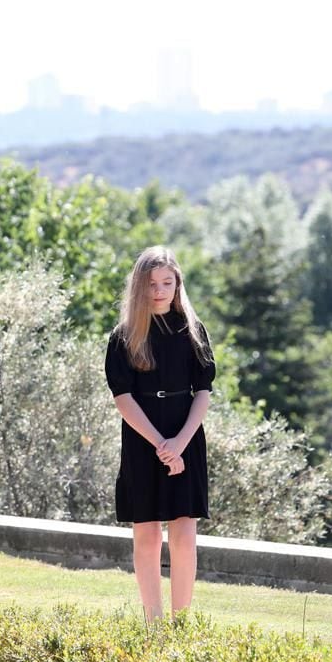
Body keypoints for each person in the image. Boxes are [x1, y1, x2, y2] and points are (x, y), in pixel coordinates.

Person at [105, 245, 214, 622]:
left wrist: (179, 443)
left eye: (167, 282)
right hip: (142, 439)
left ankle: (181, 622)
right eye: (151, 283)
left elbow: (204, 390)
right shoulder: (123, 337)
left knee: (184, 534)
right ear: (139, 286)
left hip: (187, 438)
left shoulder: (193, 332)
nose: (159, 290)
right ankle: (153, 622)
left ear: (177, 284)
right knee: (147, 533)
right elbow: (123, 398)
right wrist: (160, 444)